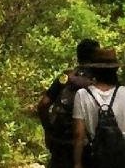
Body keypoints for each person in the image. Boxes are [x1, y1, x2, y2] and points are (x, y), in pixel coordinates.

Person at [70, 47, 125, 168]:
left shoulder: (82, 95)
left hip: (94, 159)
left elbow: (78, 134)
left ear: (93, 70)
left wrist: (77, 163)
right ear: (116, 70)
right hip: (122, 159)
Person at [36, 39, 99, 168]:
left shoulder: (65, 77)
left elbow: (43, 105)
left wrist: (48, 131)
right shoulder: (99, 81)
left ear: (78, 56)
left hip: (60, 142)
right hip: (88, 146)